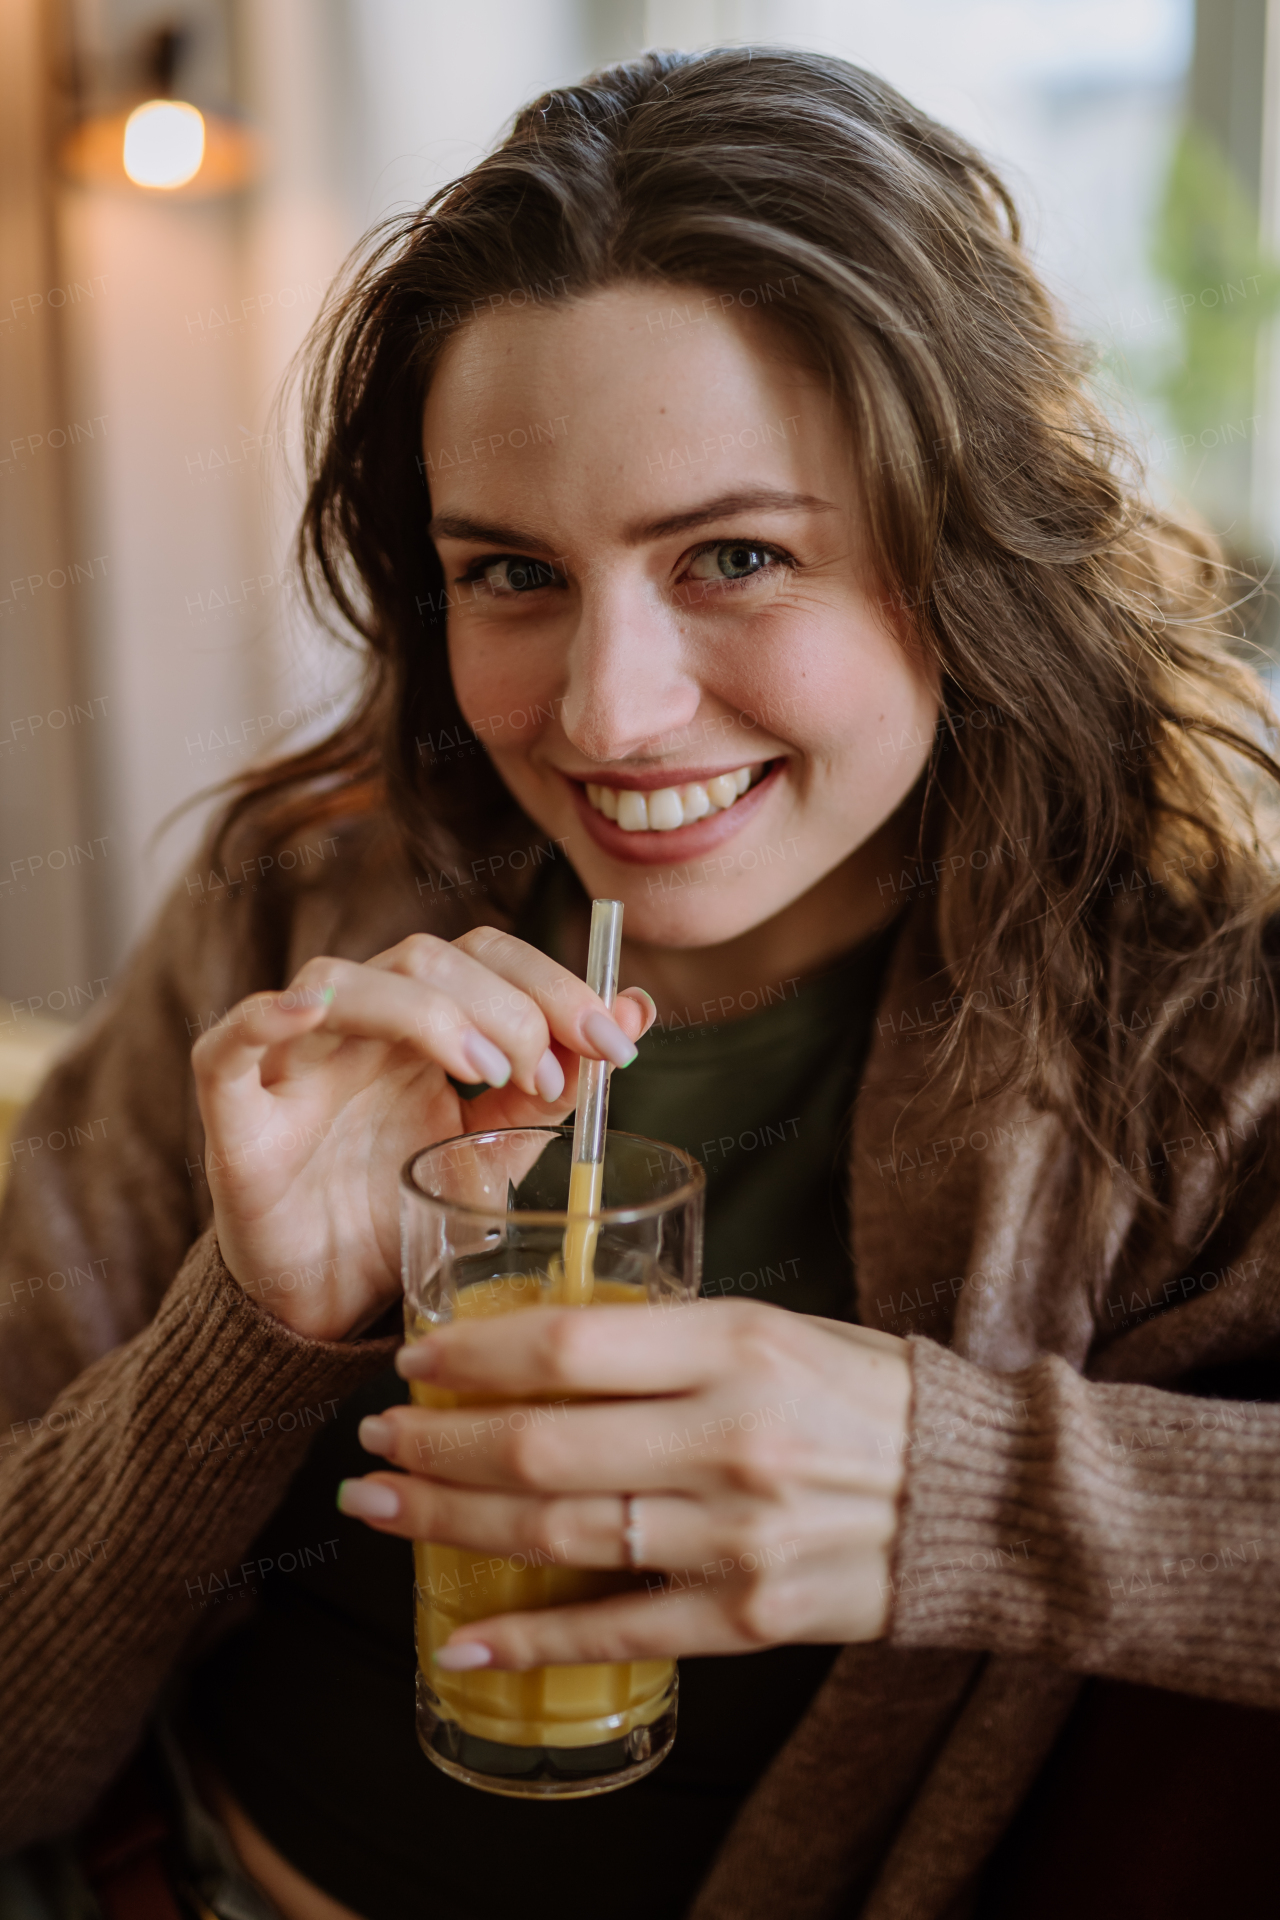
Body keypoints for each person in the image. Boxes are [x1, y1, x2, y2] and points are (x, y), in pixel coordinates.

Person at [2, 44, 1279, 1920]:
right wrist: (250, 1327)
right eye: (511, 572)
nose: (606, 715)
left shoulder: (1199, 1045)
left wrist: (961, 1492)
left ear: (973, 552)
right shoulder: (306, 914)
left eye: (739, 555)